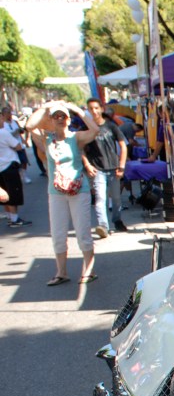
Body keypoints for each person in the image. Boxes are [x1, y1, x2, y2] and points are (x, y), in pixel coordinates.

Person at [26, 100, 100, 286]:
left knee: (83, 232)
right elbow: (29, 125)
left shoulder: (76, 137)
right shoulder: (46, 138)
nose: (60, 119)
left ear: (68, 119)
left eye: (63, 116)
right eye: (56, 116)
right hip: (56, 192)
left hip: (78, 190)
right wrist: (44, 107)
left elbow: (95, 131)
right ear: (50, 120)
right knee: (58, 233)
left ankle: (88, 270)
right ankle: (61, 272)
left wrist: (78, 111)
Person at [83, 98, 128, 235]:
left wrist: (121, 166)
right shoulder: (87, 129)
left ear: (102, 109)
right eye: (91, 109)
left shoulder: (111, 126)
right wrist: (87, 164)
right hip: (98, 169)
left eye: (96, 108)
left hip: (114, 168)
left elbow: (123, 145)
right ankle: (103, 226)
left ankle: (117, 220)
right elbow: (81, 149)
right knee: (100, 198)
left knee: (116, 198)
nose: (94, 111)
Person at [0, 120, 29, 227]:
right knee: (13, 193)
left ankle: (10, 217)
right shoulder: (3, 132)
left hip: (1, 167)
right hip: (8, 165)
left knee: (5, 193)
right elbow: (18, 146)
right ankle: (14, 219)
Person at [2, 105, 31, 186]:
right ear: (3, 114)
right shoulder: (3, 124)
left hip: (19, 144)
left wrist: (24, 139)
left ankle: (25, 175)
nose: (10, 115)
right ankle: (19, 176)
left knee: (24, 161)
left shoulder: (15, 122)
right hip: (10, 147)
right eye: (8, 113)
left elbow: (20, 131)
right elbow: (5, 135)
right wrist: (14, 133)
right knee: (15, 163)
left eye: (10, 113)